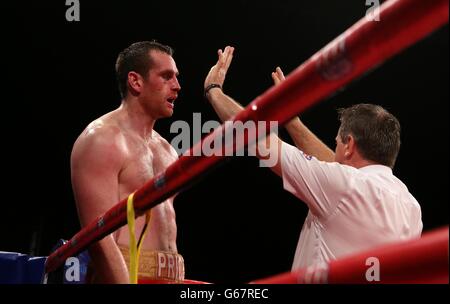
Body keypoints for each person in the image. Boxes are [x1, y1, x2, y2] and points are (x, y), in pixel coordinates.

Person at [203, 46, 423, 270]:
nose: (333, 149)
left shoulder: (342, 187)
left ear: (350, 145)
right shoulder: (412, 207)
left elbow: (258, 138)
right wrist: (292, 122)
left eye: (337, 142)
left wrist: (214, 90)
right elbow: (335, 169)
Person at [71, 41, 184, 283]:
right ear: (135, 81)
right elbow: (99, 237)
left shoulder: (167, 150)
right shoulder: (102, 139)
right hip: (123, 276)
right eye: (166, 76)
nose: (177, 86)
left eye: (176, 77)